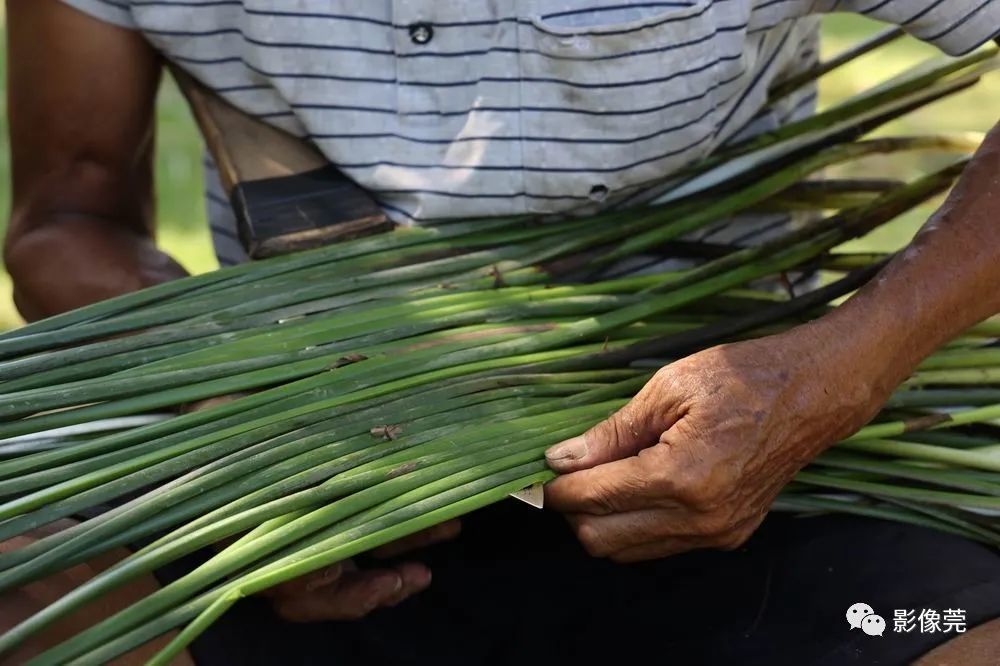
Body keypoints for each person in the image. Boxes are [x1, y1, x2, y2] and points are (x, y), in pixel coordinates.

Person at [3, 1, 999, 664]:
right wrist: (242, 412)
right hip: (328, 487)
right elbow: (69, 213)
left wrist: (844, 368)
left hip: (760, 448)